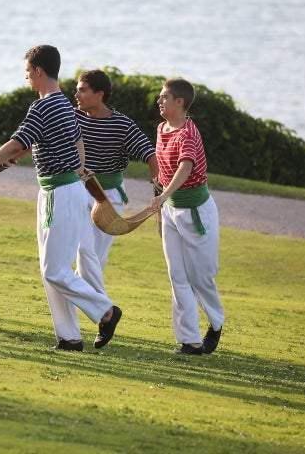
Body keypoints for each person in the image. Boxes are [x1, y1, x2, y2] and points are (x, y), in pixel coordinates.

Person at [0, 45, 122, 352]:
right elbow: (71, 144)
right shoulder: (62, 104)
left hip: (59, 192)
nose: (26, 79)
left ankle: (106, 312)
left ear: (38, 71)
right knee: (52, 270)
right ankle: (69, 337)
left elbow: (17, 142)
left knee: (54, 270)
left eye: (27, 73)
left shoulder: (44, 106)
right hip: (59, 190)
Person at [149, 78, 224, 355]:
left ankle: (216, 323)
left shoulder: (187, 133)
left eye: (164, 97)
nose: (159, 101)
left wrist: (163, 195)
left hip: (196, 211)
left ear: (179, 102)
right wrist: (159, 193)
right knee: (177, 275)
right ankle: (190, 340)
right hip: (171, 209)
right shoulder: (162, 128)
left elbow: (185, 167)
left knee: (201, 277)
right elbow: (165, 169)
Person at [74, 69, 159, 294]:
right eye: (77, 90)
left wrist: (158, 190)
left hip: (109, 196)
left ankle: (90, 306)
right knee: (85, 251)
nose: (77, 95)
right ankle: (104, 312)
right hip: (78, 191)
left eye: (82, 90)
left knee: (96, 260)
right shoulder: (73, 117)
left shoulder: (122, 125)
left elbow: (149, 154)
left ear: (100, 94)